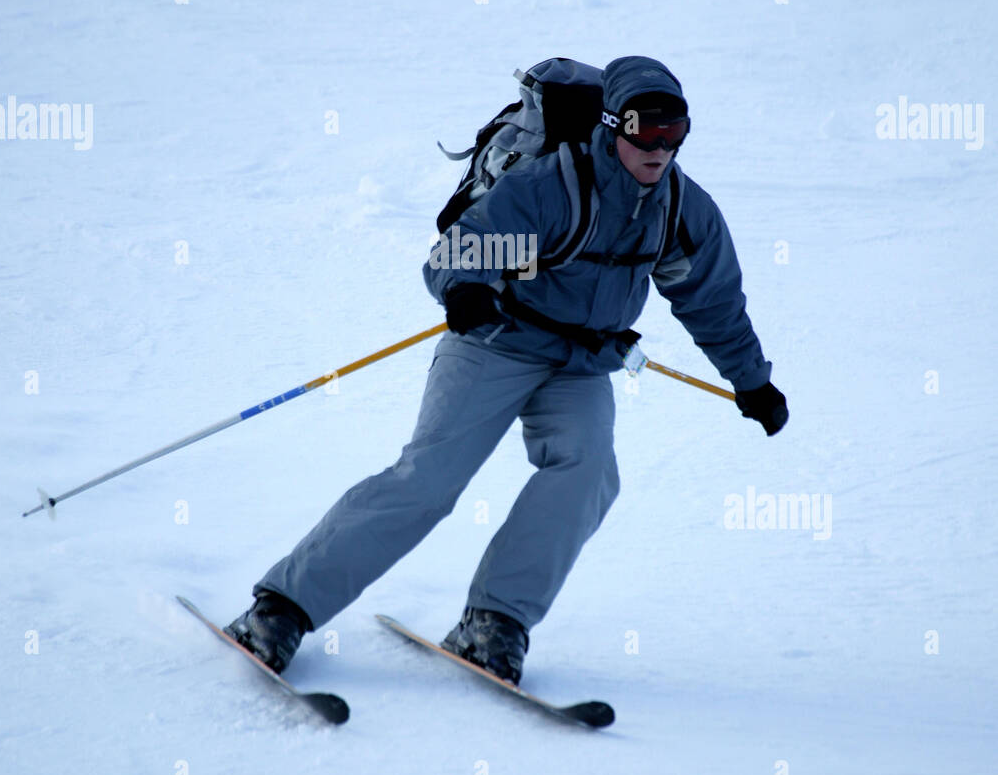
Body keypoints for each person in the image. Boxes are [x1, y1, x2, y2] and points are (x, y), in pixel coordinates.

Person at [225, 55, 787, 683]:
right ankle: (280, 609)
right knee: (429, 480)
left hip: (581, 363)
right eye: (643, 128)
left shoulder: (680, 209)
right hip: (495, 340)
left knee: (588, 471)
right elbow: (459, 252)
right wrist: (465, 287)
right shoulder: (555, 185)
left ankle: (493, 621)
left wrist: (752, 380)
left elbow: (711, 302)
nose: (659, 147)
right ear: (611, 125)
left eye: (675, 131)